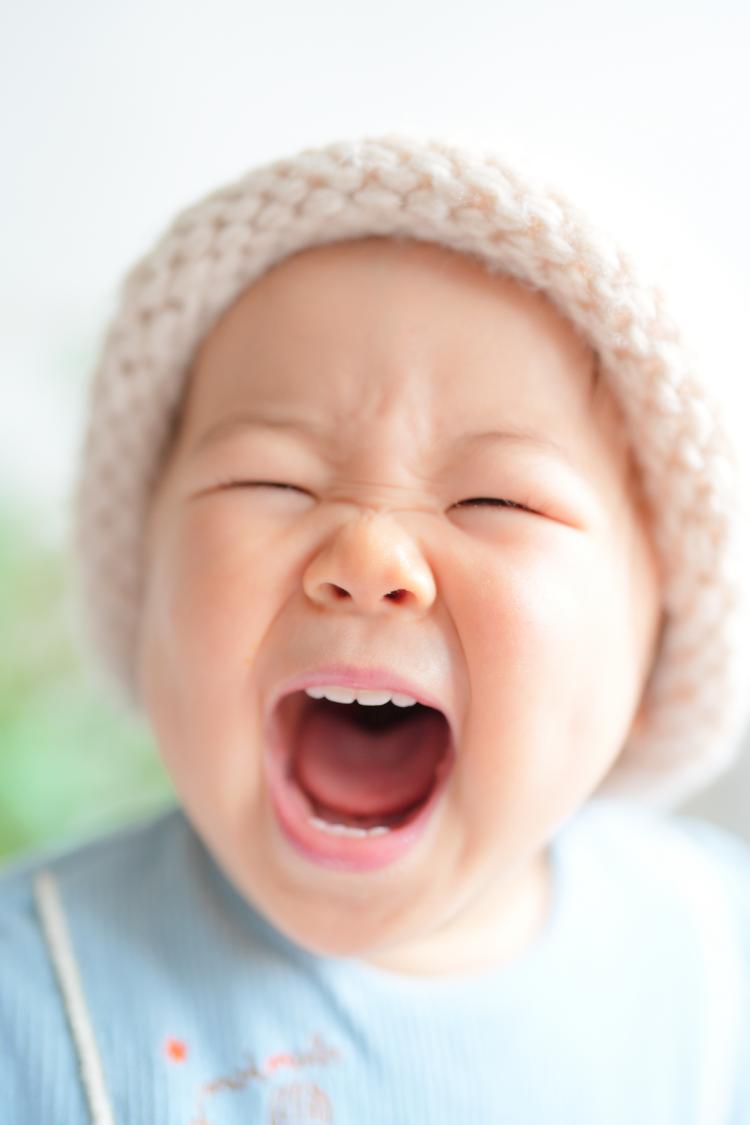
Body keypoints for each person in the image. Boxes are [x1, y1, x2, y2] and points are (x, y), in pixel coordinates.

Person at [1, 134, 749, 1124]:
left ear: (659, 636)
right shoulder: (32, 999)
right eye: (270, 481)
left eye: (497, 500)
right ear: (146, 583)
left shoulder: (716, 968)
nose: (368, 556)